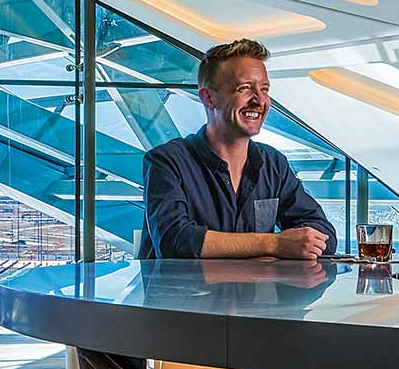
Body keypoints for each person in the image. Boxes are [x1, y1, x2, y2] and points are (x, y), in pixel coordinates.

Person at [139, 37, 337, 261]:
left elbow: (323, 234)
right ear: (209, 97)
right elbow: (175, 242)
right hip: (184, 295)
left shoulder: (273, 164)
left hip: (255, 296)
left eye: (264, 89)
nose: (259, 100)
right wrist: (273, 244)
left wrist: (268, 248)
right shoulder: (166, 161)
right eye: (244, 88)